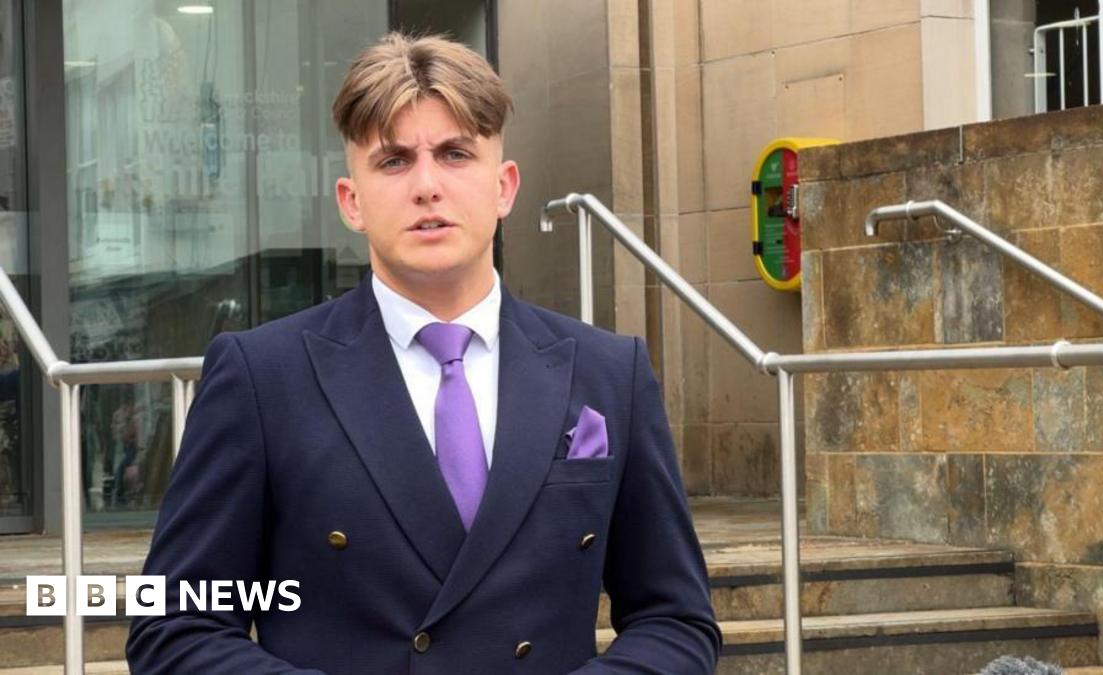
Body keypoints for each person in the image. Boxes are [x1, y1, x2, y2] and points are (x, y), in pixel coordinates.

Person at [126, 32, 720, 674]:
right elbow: (173, 627)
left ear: (504, 186)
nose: (427, 185)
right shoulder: (262, 376)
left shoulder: (611, 372)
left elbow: (675, 621)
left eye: (455, 153)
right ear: (351, 202)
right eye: (393, 160)